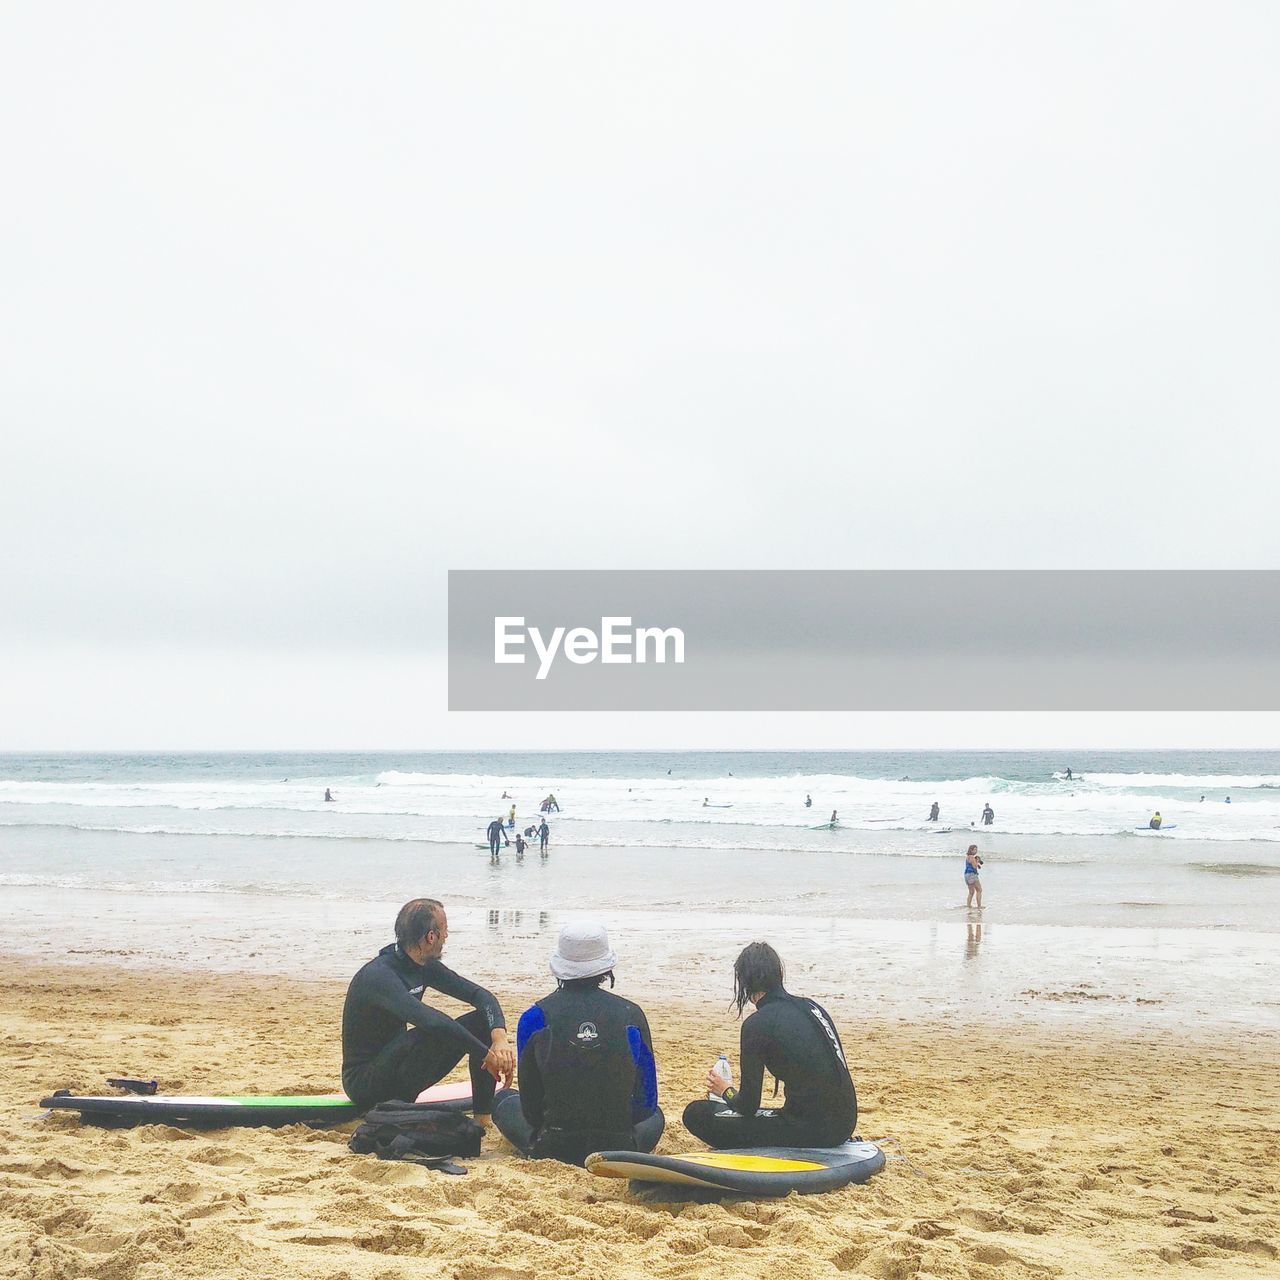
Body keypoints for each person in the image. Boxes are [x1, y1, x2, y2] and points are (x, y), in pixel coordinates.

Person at [493, 922, 663, 1166]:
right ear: (606, 967)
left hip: (553, 1146)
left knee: (503, 1100)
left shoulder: (534, 1017)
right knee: (657, 1115)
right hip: (619, 1146)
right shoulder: (632, 1015)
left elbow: (530, 1109)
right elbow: (646, 1104)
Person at [341, 899, 514, 1124]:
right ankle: (396, 1106)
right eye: (445, 930)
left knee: (481, 1021)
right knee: (430, 1030)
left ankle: (482, 1117)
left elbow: (480, 996)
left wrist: (498, 1038)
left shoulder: (423, 966)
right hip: (365, 1083)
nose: (447, 936)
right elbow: (431, 1021)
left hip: (398, 1069)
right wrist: (486, 1054)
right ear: (431, 937)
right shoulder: (379, 976)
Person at [682, 942, 856, 1149]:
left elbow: (747, 1105)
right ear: (779, 973)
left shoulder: (757, 1024)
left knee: (696, 1113)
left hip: (812, 1131)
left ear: (744, 982)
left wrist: (725, 1090)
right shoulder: (812, 1007)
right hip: (845, 1124)